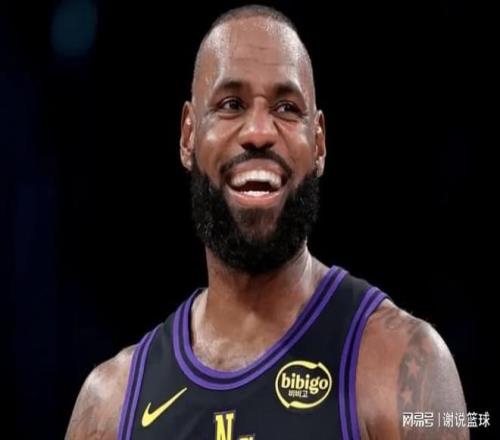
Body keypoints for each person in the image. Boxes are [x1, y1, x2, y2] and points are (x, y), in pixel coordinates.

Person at [66, 5, 468, 439]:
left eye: (286, 108)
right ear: (188, 136)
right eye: (231, 104)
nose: (259, 131)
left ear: (319, 144)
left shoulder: (403, 366)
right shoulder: (110, 405)